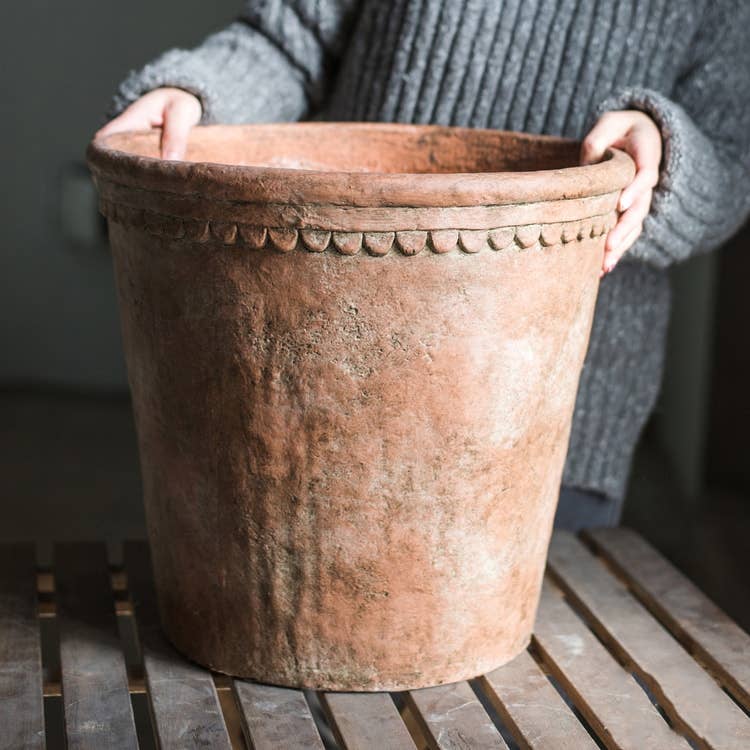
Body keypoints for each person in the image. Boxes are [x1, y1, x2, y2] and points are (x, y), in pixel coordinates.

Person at [98, 0, 750, 530]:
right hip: (333, 362)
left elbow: (729, 163)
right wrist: (197, 93)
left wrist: (663, 154)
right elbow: (291, 39)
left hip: (548, 413)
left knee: (508, 675)